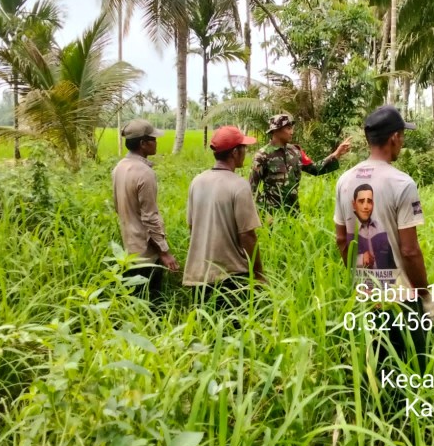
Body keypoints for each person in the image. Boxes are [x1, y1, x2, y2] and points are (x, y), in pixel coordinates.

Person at [334, 105, 434, 372]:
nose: (402, 142)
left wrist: (359, 279)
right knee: (412, 370)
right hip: (401, 298)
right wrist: (426, 297)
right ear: (394, 137)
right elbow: (409, 250)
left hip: (365, 296)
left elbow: (341, 240)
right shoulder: (402, 183)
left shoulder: (345, 180)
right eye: (402, 136)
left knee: (376, 368)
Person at [184, 125, 265, 308]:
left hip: (199, 275)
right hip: (230, 277)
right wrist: (258, 273)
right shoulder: (239, 186)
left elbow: (192, 227)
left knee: (205, 330)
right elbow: (247, 236)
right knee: (234, 332)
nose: (246, 152)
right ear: (235, 152)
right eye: (244, 148)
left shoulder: (197, 182)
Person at [112, 119, 180, 302]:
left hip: (128, 248)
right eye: (153, 139)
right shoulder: (144, 173)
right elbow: (150, 217)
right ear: (143, 144)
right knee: (152, 302)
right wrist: (164, 252)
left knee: (134, 302)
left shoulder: (119, 168)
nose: (156, 142)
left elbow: (117, 206)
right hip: (146, 252)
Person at [249, 113, 352, 213]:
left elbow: (315, 169)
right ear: (276, 131)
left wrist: (336, 154)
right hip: (272, 214)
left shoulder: (295, 151)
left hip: (294, 212)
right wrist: (263, 212)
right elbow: (251, 189)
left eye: (292, 128)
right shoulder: (262, 155)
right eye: (288, 128)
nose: (292, 132)